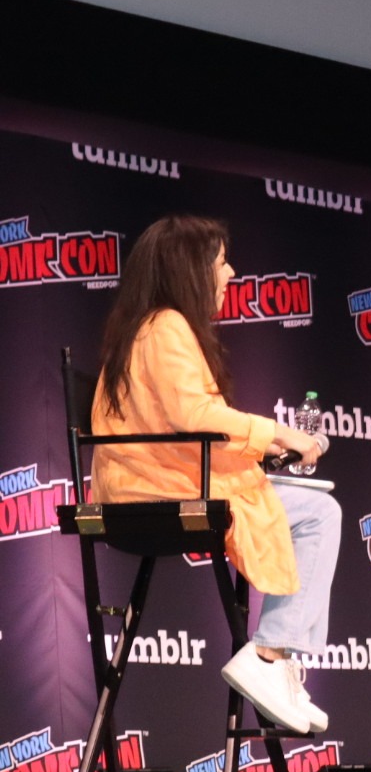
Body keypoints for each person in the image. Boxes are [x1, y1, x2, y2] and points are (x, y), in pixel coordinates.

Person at [91, 216, 339, 735]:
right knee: (319, 512)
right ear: (191, 269)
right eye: (221, 261)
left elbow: (187, 418)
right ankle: (269, 656)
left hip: (157, 479)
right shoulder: (167, 326)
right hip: (152, 493)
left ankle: (279, 661)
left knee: (300, 499)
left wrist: (263, 444)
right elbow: (195, 418)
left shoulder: (150, 325)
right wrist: (284, 434)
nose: (230, 271)